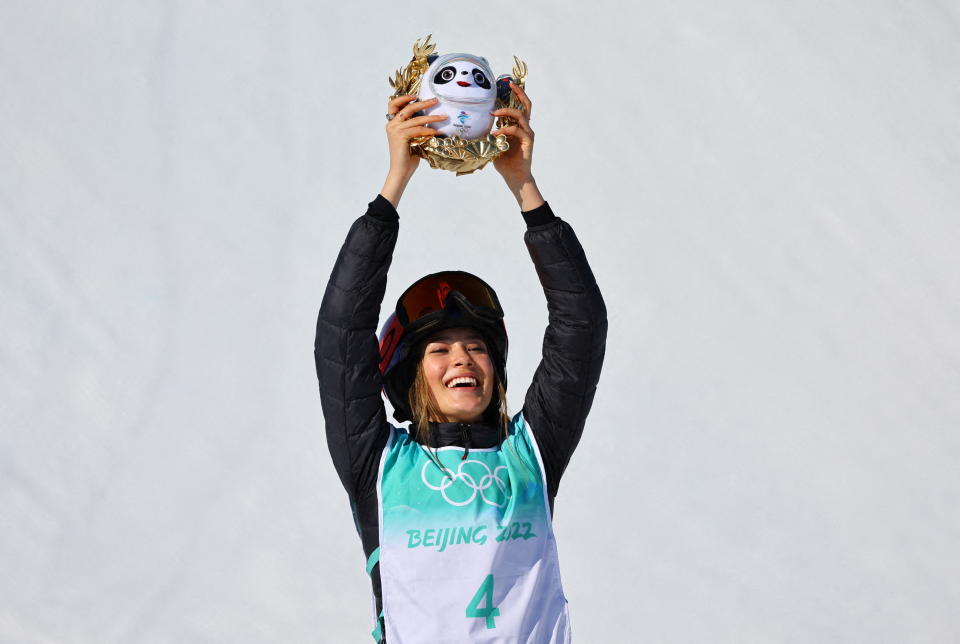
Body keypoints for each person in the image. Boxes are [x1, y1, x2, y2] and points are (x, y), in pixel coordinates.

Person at [315, 83, 606, 643]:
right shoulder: (377, 464)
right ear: (407, 371)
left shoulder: (532, 453)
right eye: (440, 349)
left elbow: (582, 326)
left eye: (476, 346)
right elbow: (340, 338)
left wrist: (523, 185)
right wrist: (393, 187)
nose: (462, 359)